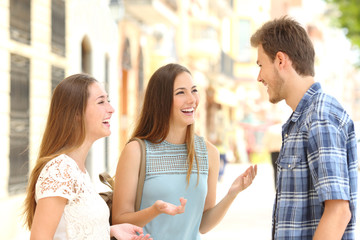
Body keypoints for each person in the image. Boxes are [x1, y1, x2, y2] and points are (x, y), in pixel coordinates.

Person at [112, 63, 257, 240]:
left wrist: (232, 194)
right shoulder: (136, 151)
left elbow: (203, 225)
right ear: (161, 101)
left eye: (194, 90)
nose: (192, 99)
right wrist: (154, 211)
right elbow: (119, 220)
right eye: (181, 92)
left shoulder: (209, 153)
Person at [250, 16, 358, 239]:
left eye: (261, 65)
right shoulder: (302, 120)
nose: (259, 77)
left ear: (281, 60)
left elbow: (338, 212)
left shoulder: (320, 116)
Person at [22, 73, 152, 240]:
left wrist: (109, 231)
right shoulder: (60, 169)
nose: (111, 109)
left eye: (108, 101)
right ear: (76, 113)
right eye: (101, 102)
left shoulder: (78, 170)